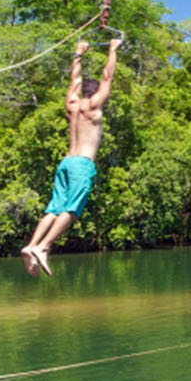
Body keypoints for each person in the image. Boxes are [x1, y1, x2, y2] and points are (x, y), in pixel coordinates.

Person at [22, 37, 121, 276]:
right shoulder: (94, 107)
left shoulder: (72, 105)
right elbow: (108, 77)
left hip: (65, 163)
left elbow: (74, 80)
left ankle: (32, 244)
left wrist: (78, 54)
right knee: (72, 210)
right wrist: (112, 50)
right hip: (82, 165)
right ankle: (44, 247)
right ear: (95, 93)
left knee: (53, 209)